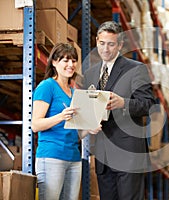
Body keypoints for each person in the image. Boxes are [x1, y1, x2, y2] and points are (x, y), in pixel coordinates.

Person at [83, 21, 155, 200]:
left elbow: (148, 104)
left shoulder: (136, 69)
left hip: (128, 154)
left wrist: (124, 103)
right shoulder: (90, 74)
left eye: (111, 44)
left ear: (120, 45)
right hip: (103, 156)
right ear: (96, 41)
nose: (105, 49)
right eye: (102, 43)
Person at [31, 43, 101, 200]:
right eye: (65, 60)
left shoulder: (76, 93)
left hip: (74, 158)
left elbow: (74, 133)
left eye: (74, 61)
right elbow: (35, 125)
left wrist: (88, 129)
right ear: (54, 63)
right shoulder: (47, 86)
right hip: (51, 156)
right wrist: (61, 116)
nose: (71, 65)